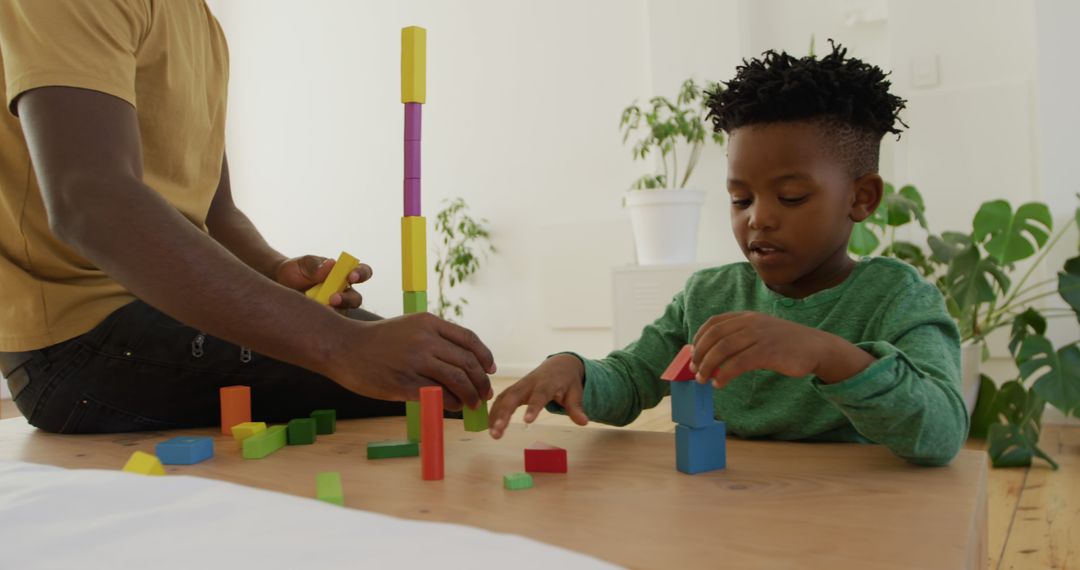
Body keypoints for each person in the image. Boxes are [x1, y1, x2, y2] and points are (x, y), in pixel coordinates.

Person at [0, 0, 494, 434]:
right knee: (420, 380)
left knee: (437, 370)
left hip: (161, 310)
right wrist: (341, 345)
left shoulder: (203, 24)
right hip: (79, 343)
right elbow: (90, 201)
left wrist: (275, 271)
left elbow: (216, 210)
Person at [488, 42, 968, 466]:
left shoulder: (898, 298)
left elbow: (942, 433)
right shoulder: (709, 295)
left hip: (853, 515)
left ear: (861, 198)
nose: (757, 218)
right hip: (725, 502)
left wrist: (826, 354)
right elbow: (634, 378)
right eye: (740, 199)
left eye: (792, 197)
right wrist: (574, 370)